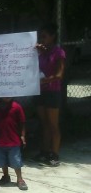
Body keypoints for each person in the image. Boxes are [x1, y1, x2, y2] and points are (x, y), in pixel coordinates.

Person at [34, 23, 65, 167]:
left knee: (53, 124)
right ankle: (44, 151)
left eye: (45, 36)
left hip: (52, 91)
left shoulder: (59, 52)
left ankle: (55, 154)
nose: (42, 38)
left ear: (52, 37)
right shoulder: (41, 52)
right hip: (41, 92)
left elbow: (59, 74)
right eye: (41, 36)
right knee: (44, 123)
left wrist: (46, 80)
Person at [0, 98, 27, 190]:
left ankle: (20, 179)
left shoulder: (16, 107)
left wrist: (22, 136)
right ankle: (6, 176)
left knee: (16, 162)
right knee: (2, 161)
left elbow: (22, 122)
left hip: (13, 141)